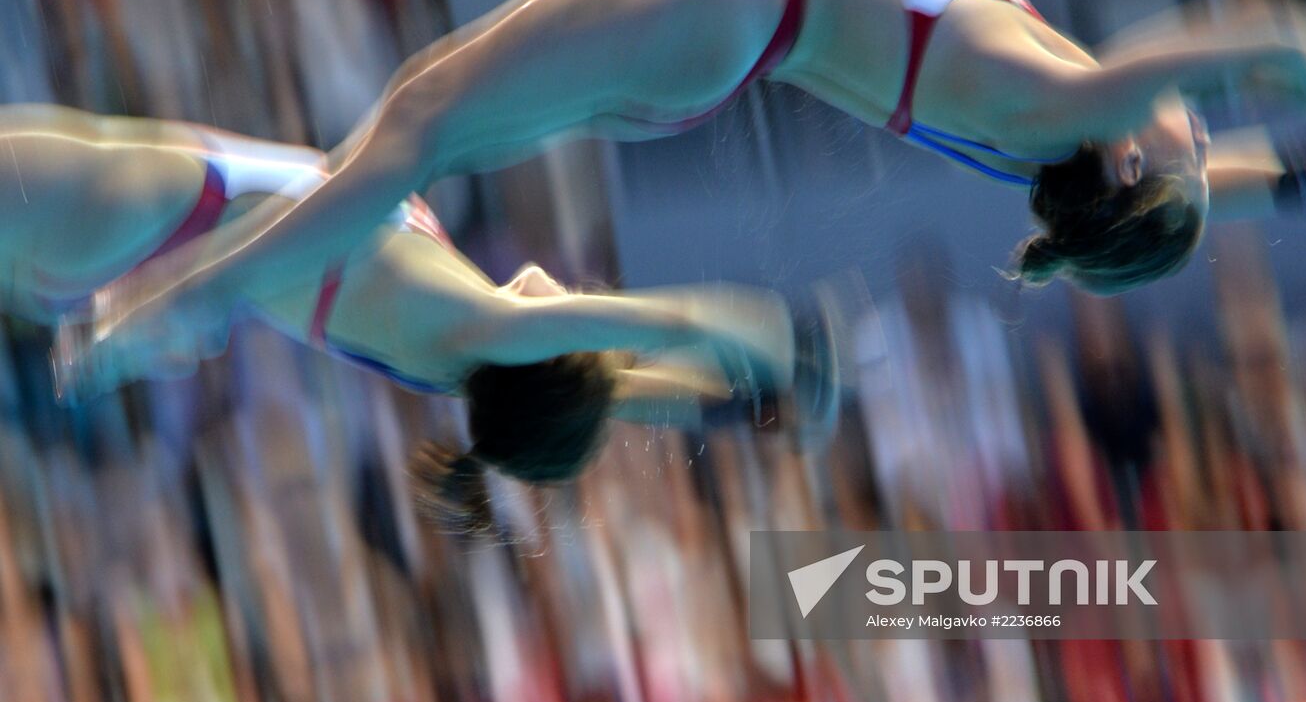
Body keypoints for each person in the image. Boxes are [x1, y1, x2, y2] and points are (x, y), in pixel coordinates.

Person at [62, 0, 1306, 392]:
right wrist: (1297, 178)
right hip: (715, 56)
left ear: (1134, 160)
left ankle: (189, 306)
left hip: (723, 15)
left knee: (402, 144)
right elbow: (1147, 216)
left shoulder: (1065, 96)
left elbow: (1273, 31)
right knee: (404, 134)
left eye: (1191, 143)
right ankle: (191, 304)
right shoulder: (1047, 144)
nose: (1200, 124)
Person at [0, 105, 812, 493]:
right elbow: (611, 402)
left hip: (141, 217)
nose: (570, 287)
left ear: (541, 346)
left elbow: (674, 319)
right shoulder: (460, 360)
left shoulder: (487, 325)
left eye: (573, 311)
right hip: (132, 235)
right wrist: (745, 409)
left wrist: (779, 344)